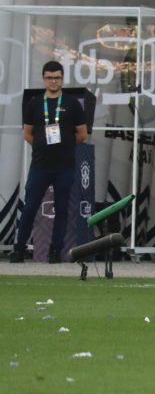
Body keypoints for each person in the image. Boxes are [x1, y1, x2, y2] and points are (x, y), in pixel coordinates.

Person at [9, 60, 87, 264]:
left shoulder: (72, 104)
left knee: (61, 209)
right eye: (50, 78)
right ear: (44, 79)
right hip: (40, 166)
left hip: (64, 166)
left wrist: (66, 146)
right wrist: (41, 146)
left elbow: (82, 134)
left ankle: (55, 251)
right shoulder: (34, 103)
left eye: (57, 78)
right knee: (30, 208)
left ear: (62, 79)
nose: (53, 81)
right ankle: (19, 249)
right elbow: (27, 133)